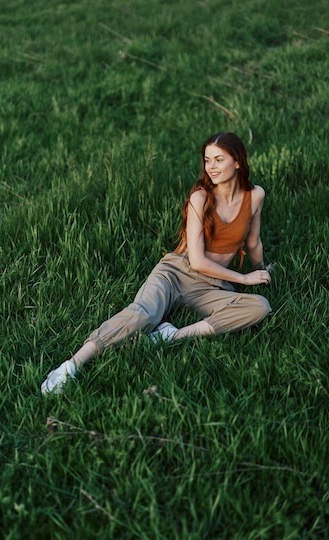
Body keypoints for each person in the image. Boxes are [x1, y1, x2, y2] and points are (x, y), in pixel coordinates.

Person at [41, 132, 272, 394]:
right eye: (208, 160)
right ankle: (71, 365)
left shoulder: (255, 196)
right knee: (144, 314)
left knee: (259, 307)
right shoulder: (201, 197)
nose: (212, 167)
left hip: (212, 285)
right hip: (176, 273)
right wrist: (242, 279)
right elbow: (196, 260)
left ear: (238, 162)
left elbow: (253, 241)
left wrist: (261, 269)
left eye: (219, 160)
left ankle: (172, 335)